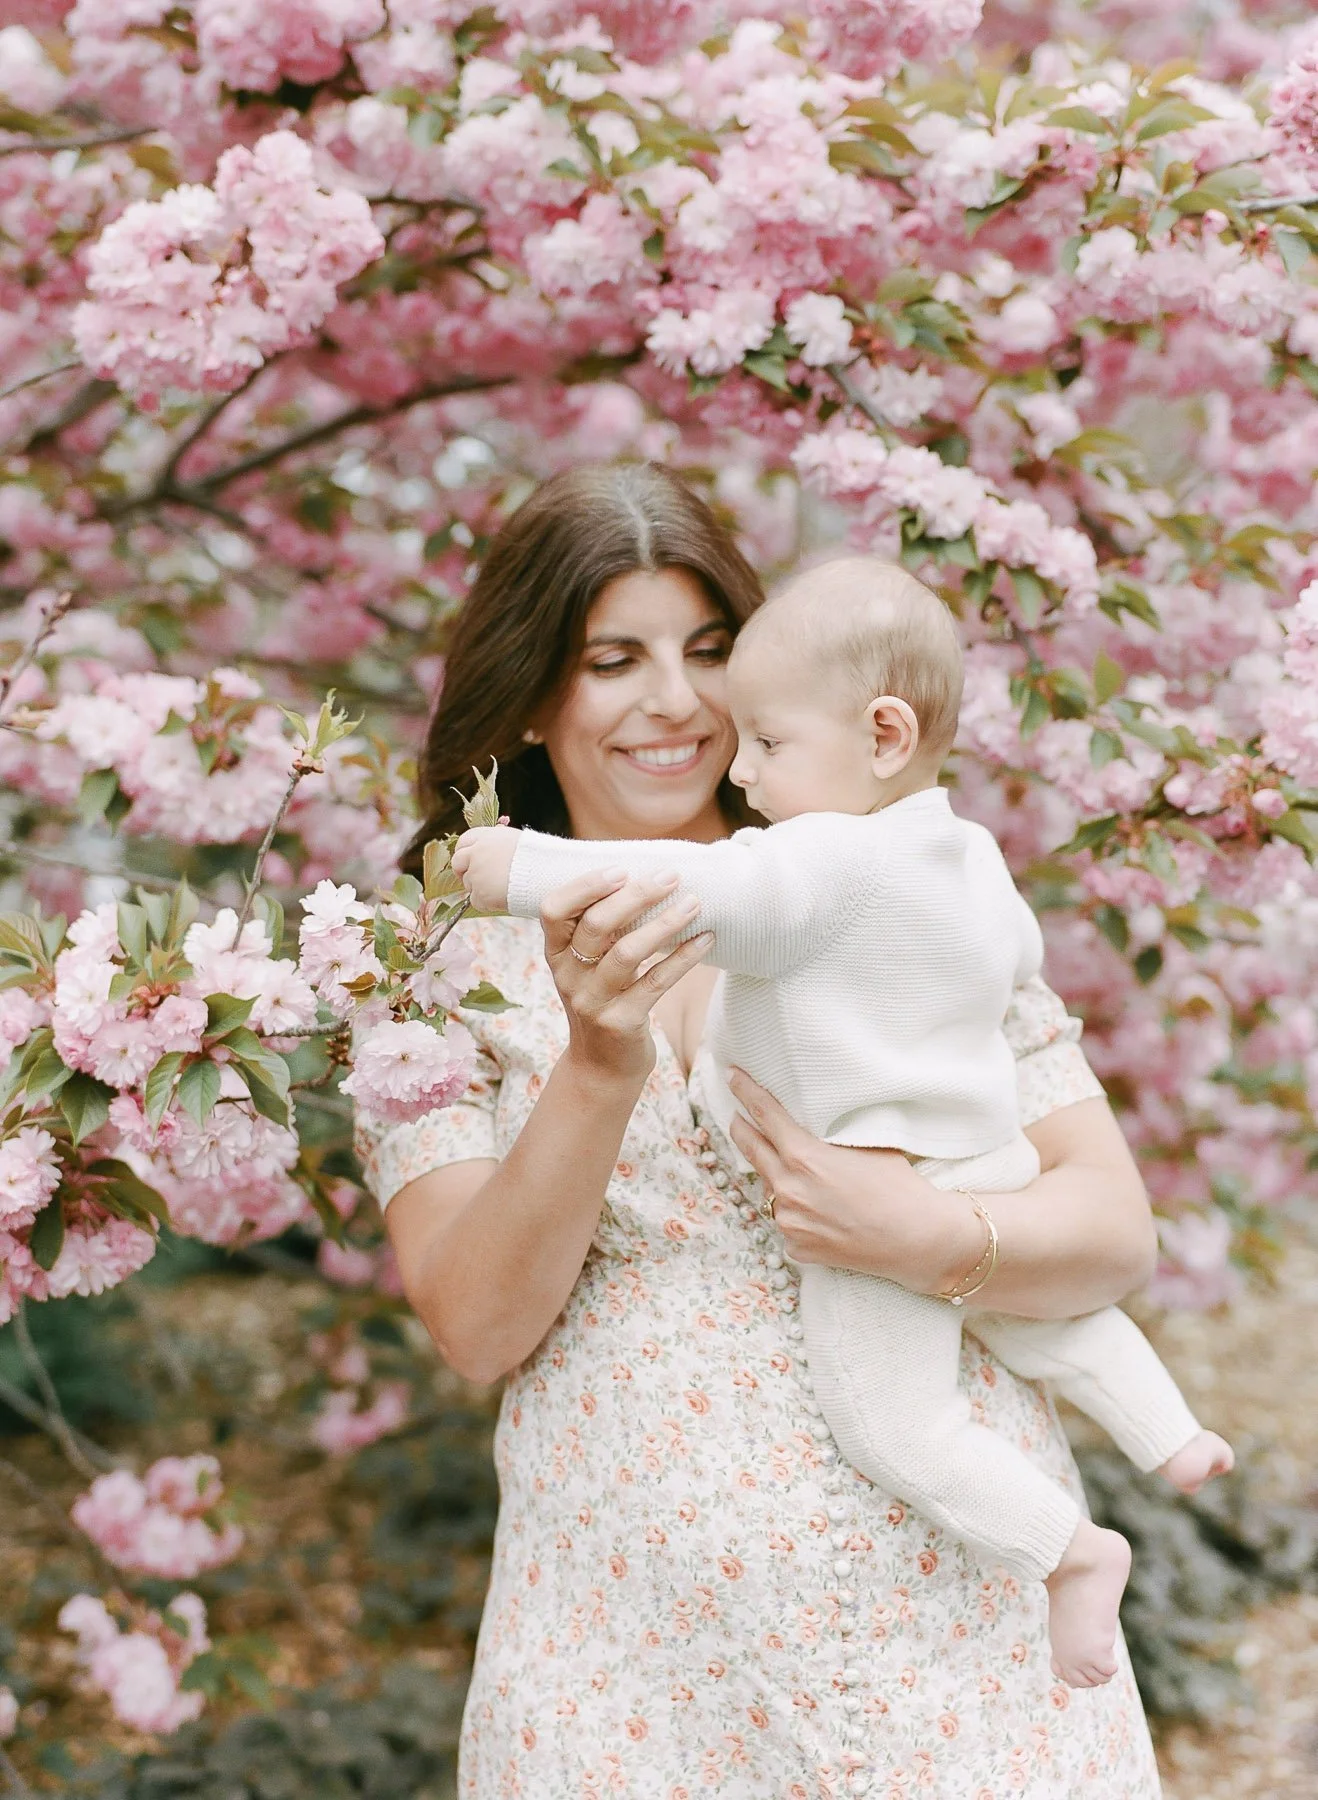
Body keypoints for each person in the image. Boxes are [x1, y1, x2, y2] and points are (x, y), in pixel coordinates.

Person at [356, 461, 1166, 1796]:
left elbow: (1106, 1233)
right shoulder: (430, 977)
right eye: (613, 659)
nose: (675, 703)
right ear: (536, 690)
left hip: (949, 1627)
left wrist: (932, 1236)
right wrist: (597, 1068)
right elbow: (475, 1325)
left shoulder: (881, 884)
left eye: (709, 651)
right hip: (629, 1660)